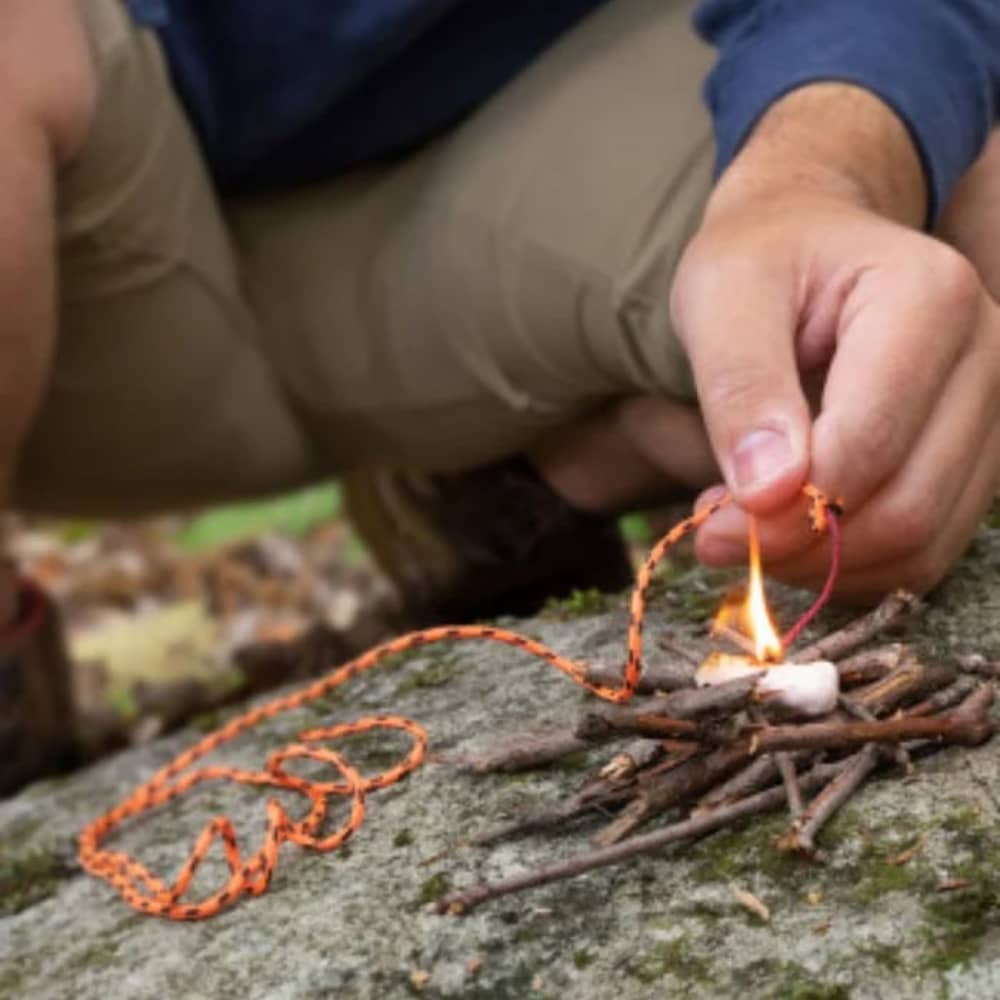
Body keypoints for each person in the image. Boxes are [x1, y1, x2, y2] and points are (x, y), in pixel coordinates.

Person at [2, 0, 998, 793]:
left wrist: (818, 177)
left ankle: (559, 469)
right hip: (81, 231)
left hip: (533, 121)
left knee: (911, 312)